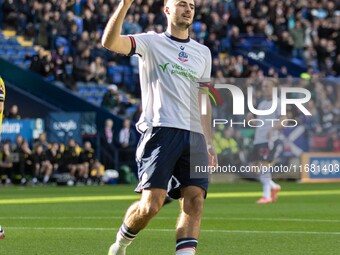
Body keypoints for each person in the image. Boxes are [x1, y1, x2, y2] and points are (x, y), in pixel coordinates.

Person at [102, 0, 217, 254]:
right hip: (161, 132)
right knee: (151, 206)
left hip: (195, 135)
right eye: (182, 4)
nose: (188, 9)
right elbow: (110, 43)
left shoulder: (203, 52)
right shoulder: (151, 42)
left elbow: (203, 101)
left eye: (192, 6)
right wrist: (124, 5)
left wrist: (209, 141)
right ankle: (120, 244)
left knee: (195, 201)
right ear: (167, 10)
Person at [251, 78, 282, 204]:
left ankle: (266, 195)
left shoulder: (279, 103)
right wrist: (251, 121)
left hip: (269, 139)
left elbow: (284, 120)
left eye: (267, 86)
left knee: (264, 166)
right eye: (263, 86)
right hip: (258, 139)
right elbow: (260, 123)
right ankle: (273, 186)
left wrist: (272, 129)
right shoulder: (262, 104)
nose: (264, 89)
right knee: (253, 168)